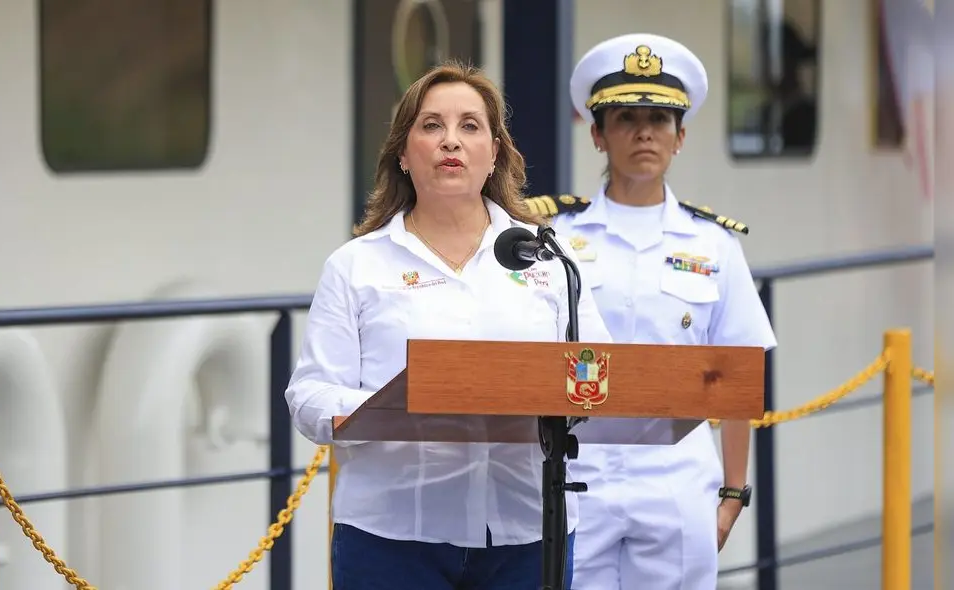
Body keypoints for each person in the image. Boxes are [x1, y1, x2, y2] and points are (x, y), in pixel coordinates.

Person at [285, 60, 612, 590]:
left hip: (528, 532)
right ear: (403, 153)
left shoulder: (549, 259)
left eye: (470, 126)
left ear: (495, 153)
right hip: (391, 537)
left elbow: (601, 373)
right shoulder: (356, 265)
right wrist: (383, 412)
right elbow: (309, 395)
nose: (450, 142)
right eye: (431, 125)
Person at [524, 34, 778, 589]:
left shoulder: (713, 246)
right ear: (597, 134)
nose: (644, 132)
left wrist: (734, 495)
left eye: (660, 118)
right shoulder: (555, 237)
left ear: (680, 136)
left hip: (677, 480)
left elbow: (737, 370)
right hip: (576, 475)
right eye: (625, 118)